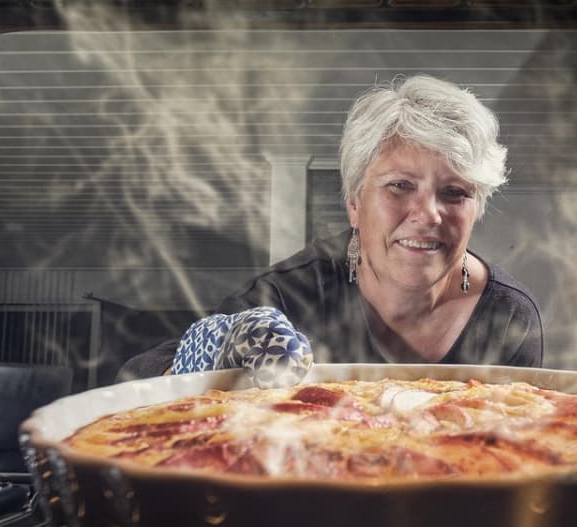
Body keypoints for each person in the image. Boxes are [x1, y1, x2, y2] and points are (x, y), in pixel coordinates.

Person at [120, 73, 543, 386]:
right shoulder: (294, 293)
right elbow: (135, 381)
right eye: (400, 186)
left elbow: (518, 455)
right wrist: (216, 351)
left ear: (477, 209)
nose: (429, 214)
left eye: (454, 192)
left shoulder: (509, 317)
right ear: (355, 204)